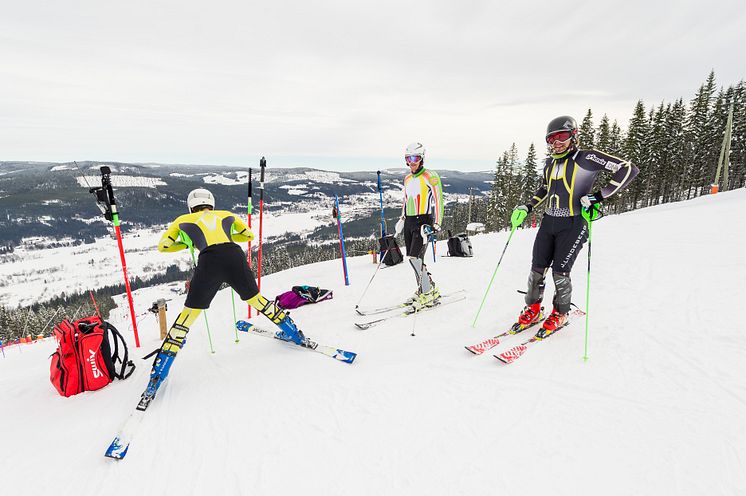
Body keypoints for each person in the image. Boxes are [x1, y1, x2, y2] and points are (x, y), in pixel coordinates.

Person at [138, 188, 306, 410]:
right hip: (235, 255)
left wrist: (188, 243)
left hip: (209, 261)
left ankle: (159, 373)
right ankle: (294, 333)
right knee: (257, 300)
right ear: (211, 203)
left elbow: (164, 246)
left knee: (187, 317)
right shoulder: (227, 215)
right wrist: (226, 237)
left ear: (191, 206)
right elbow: (248, 236)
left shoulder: (183, 219)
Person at [511, 116, 639, 338]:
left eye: (561, 136)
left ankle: (561, 313)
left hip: (574, 223)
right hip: (548, 221)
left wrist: (599, 196)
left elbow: (628, 169)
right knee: (536, 269)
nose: (556, 143)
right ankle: (532, 310)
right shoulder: (550, 163)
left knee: (560, 272)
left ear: (573, 136)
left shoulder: (586, 157)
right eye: (551, 139)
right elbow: (545, 188)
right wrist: (528, 206)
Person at [394, 142, 444, 309]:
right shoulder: (407, 178)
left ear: (421, 158)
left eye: (415, 158)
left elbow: (438, 200)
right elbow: (406, 199)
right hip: (409, 220)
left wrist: (437, 222)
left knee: (416, 257)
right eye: (408, 158)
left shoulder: (430, 176)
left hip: (423, 220)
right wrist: (402, 219)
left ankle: (427, 292)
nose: (412, 162)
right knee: (413, 258)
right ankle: (426, 288)